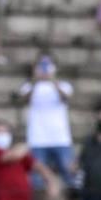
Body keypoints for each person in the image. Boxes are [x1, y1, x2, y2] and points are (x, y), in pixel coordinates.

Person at [19, 52, 74, 189]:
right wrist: (35, 80)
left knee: (71, 177)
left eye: (48, 64)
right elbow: (24, 99)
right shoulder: (28, 86)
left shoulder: (64, 85)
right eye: (41, 64)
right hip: (37, 139)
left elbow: (65, 98)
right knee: (37, 181)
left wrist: (53, 80)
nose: (44, 68)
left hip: (61, 138)